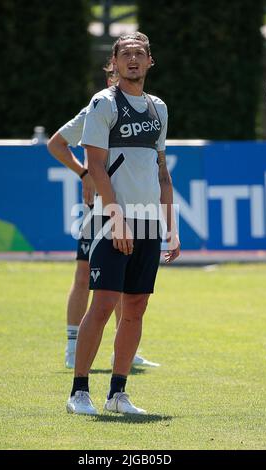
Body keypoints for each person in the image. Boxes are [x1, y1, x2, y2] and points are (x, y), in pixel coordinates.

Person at [66, 32, 180, 416]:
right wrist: (115, 220)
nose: (133, 59)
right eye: (126, 54)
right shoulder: (103, 103)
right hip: (112, 219)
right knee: (102, 305)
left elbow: (162, 171)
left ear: (150, 62)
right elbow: (94, 165)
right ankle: (79, 392)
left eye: (140, 54)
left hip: (149, 223)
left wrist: (172, 228)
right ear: (113, 63)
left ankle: (118, 394)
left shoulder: (159, 108)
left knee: (136, 308)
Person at [47, 64, 160, 371]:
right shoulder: (95, 110)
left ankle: (121, 351)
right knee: (85, 276)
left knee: (125, 284)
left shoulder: (147, 110)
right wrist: (84, 173)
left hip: (131, 211)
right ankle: (73, 345)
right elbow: (56, 143)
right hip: (97, 211)